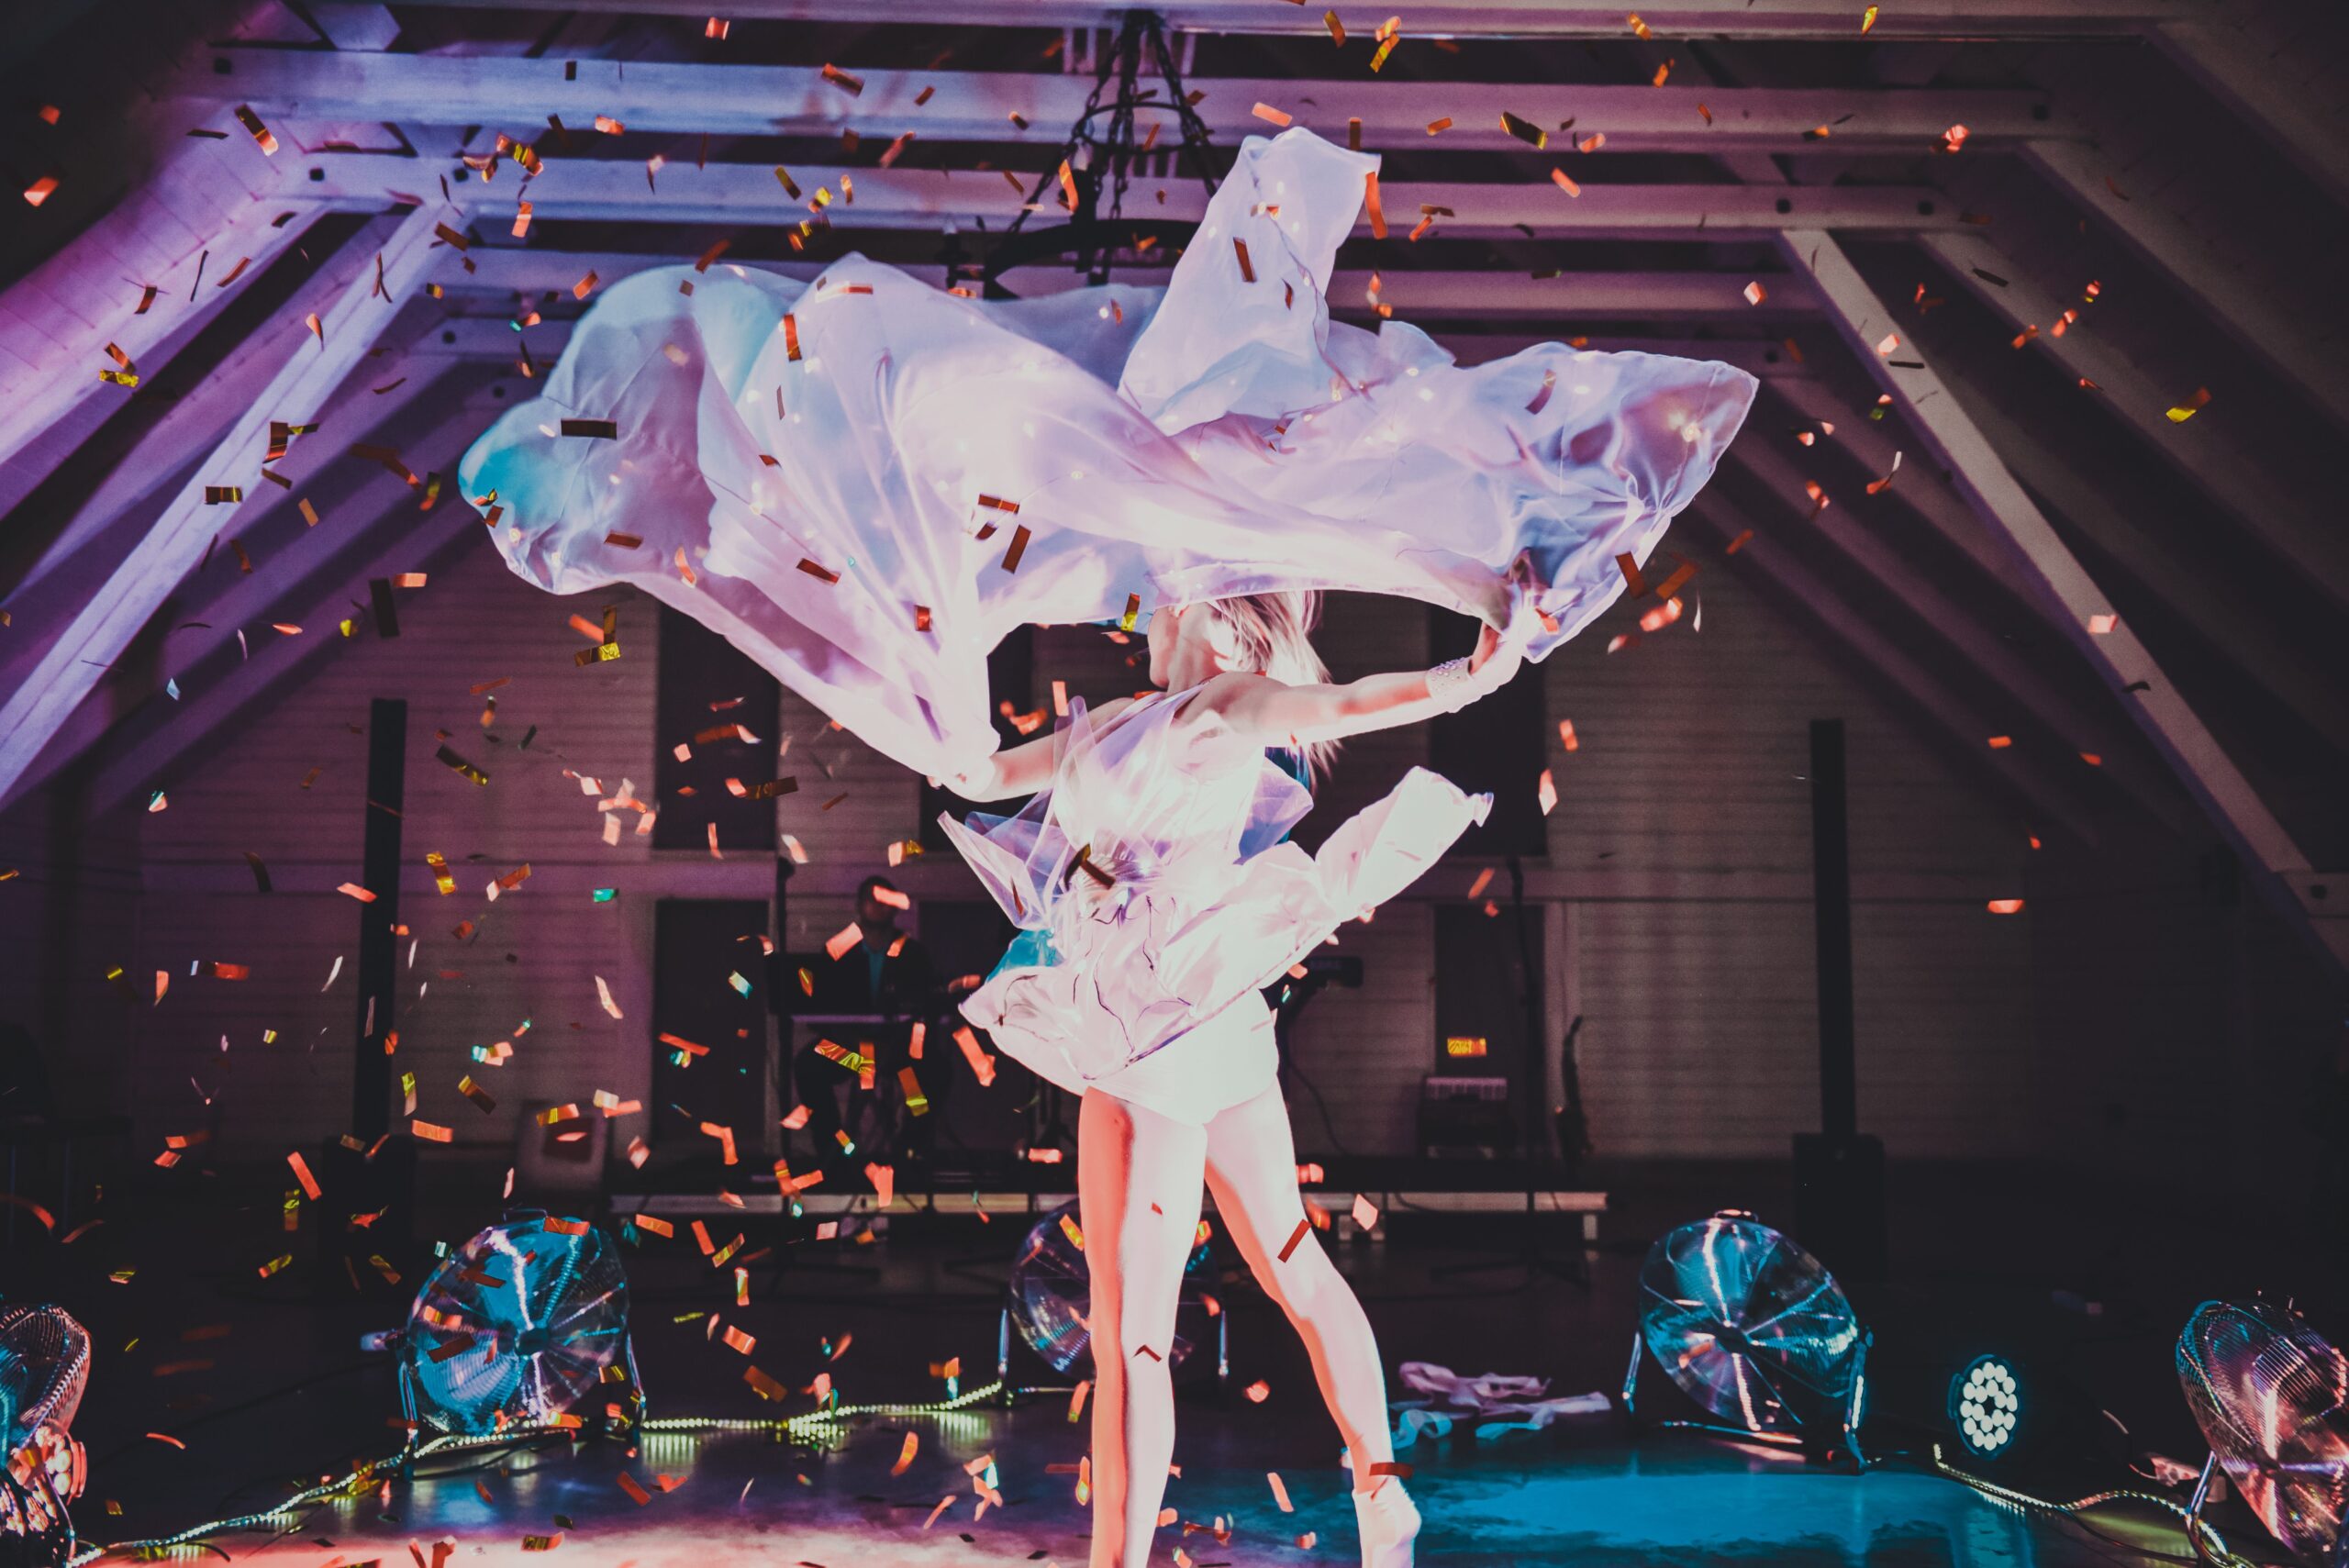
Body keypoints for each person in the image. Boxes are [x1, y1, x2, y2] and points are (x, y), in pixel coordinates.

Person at [940, 585, 1530, 1568]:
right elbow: (990, 772)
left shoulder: (1228, 701)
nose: (1158, 609)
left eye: (1183, 598)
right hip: (1208, 1022)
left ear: (1229, 627)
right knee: (1293, 1265)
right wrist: (934, 709)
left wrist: (1464, 675)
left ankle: (1131, 1558)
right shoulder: (1116, 719)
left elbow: (1347, 704)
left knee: (1133, 1331)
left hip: (1157, 1036)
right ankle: (1380, 1491)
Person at [785, 873, 944, 1173]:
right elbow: (821, 1008)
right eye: (873, 899)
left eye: (886, 899)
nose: (880, 906)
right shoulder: (838, 949)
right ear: (859, 905)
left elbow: (926, 1005)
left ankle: (910, 1148)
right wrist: (852, 1040)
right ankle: (832, 1148)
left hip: (898, 1053)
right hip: (849, 1051)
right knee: (808, 1066)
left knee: (931, 1071)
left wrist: (896, 1041)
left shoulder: (912, 953)